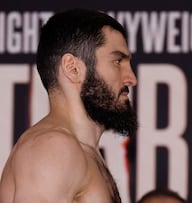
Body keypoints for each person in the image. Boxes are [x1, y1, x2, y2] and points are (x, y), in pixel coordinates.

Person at [0, 8, 137, 203]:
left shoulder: (81, 150)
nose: (131, 78)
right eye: (117, 61)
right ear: (73, 69)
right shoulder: (52, 148)